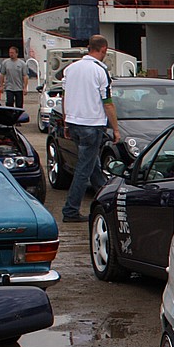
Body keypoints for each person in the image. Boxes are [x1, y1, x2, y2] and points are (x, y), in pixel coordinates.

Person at [60, 34, 120, 224]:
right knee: (83, 170)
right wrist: (116, 129)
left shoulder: (71, 69)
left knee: (92, 166)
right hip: (92, 124)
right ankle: (70, 210)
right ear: (103, 50)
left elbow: (65, 97)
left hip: (74, 123)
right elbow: (107, 102)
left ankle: (107, 199)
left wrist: (66, 121)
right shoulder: (100, 70)